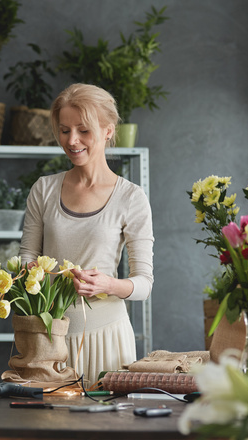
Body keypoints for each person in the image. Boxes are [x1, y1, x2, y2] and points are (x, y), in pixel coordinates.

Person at [19, 83, 155, 384]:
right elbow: (26, 255)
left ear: (108, 131)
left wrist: (108, 283)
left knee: (105, 428)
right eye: (64, 130)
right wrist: (28, 269)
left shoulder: (131, 197)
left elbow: (144, 284)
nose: (72, 140)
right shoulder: (44, 189)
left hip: (108, 337)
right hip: (49, 337)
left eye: (84, 130)